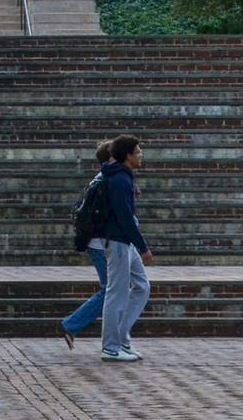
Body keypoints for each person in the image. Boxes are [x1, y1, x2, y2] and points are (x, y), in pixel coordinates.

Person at [98, 134, 152, 362]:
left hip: (124, 241)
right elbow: (125, 218)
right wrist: (143, 247)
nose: (141, 155)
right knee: (116, 294)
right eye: (137, 151)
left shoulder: (123, 177)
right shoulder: (119, 180)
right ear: (128, 155)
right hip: (118, 241)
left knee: (142, 286)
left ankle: (121, 338)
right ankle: (110, 347)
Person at [60, 138, 116, 347]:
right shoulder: (105, 181)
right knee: (110, 289)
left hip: (97, 242)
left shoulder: (100, 179)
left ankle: (73, 325)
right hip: (100, 243)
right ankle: (72, 324)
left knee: (113, 288)